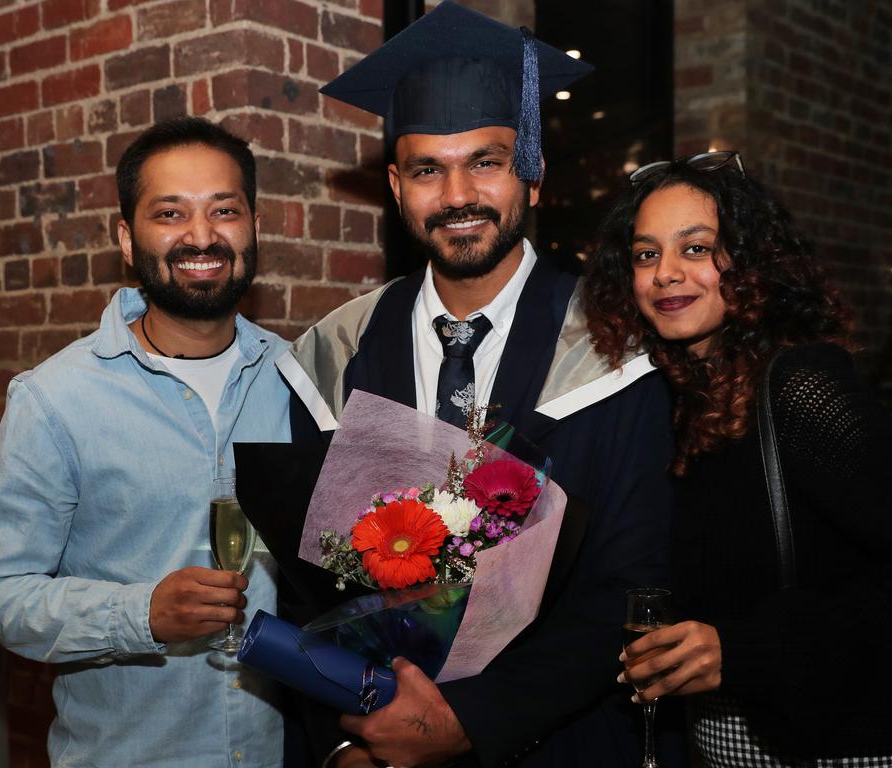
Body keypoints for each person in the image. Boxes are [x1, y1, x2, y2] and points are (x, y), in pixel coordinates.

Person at [277, 3, 678, 766]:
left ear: (532, 171)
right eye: (427, 168)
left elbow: (628, 588)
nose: (457, 194)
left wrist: (472, 721)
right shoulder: (333, 353)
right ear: (396, 186)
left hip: (560, 743)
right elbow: (309, 589)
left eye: (486, 162)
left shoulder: (615, 344)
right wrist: (346, 741)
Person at [0, 117, 291, 767]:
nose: (202, 235)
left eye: (224, 210)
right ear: (126, 237)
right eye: (170, 213)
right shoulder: (57, 399)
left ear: (253, 226)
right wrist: (140, 614)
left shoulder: (299, 379)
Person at [583, 151, 892, 764]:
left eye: (695, 248)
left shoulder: (802, 385)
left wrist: (747, 651)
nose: (666, 273)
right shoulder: (682, 403)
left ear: (751, 263)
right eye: (647, 255)